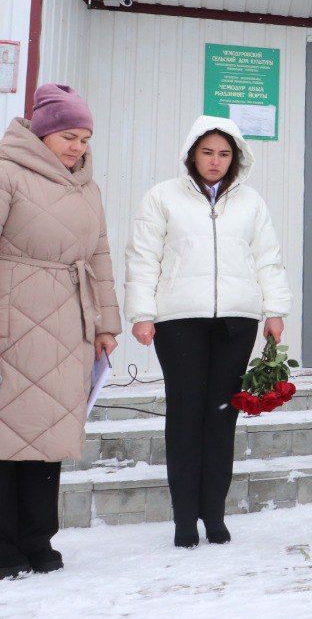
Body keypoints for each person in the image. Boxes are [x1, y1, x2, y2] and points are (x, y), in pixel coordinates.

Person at [126, 116, 291, 548]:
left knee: (222, 416)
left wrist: (275, 310)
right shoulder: (163, 197)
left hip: (237, 321)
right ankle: (184, 519)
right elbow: (143, 257)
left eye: (224, 153)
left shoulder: (250, 202)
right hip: (179, 322)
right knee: (185, 416)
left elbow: (267, 258)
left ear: (235, 158)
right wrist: (142, 313)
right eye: (207, 152)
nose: (215, 161)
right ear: (191, 154)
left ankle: (213, 515)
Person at [0, 85, 121, 578]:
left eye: (84, 139)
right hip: (14, 315)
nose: (77, 147)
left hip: (71, 320)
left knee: (51, 435)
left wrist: (107, 325)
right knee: (9, 432)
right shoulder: (8, 172)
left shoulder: (88, 187)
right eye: (68, 136)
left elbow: (100, 257)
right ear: (43, 132)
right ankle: (5, 542)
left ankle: (37, 537)